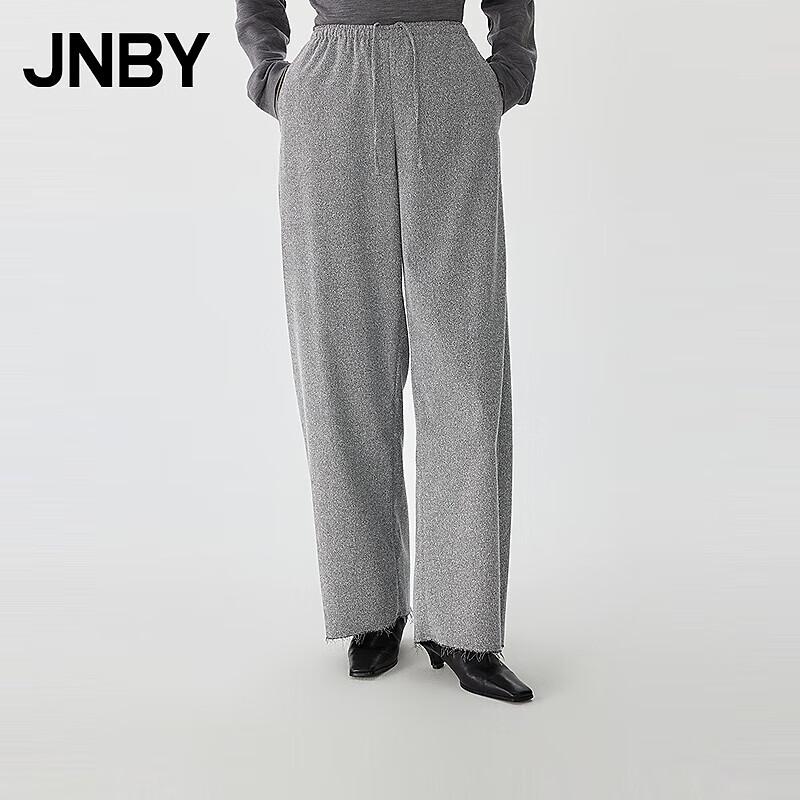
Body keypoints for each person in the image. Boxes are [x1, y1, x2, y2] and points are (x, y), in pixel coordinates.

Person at [236, 0, 537, 703]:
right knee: (342, 363)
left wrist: (508, 71)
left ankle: (464, 625)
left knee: (465, 363)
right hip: (330, 82)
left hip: (447, 73)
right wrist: (272, 77)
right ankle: (369, 607)